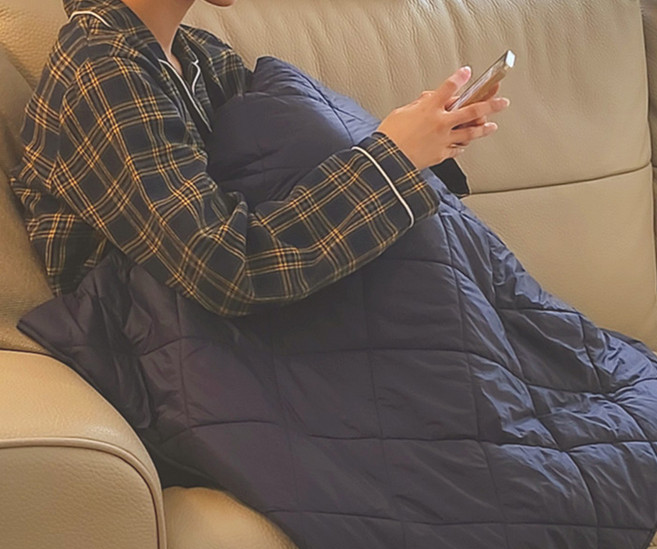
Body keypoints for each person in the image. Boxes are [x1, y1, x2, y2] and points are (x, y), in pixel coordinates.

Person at [11, 0, 509, 317]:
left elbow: (294, 171)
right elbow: (228, 267)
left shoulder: (202, 57)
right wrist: (392, 160)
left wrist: (421, 143)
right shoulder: (102, 71)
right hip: (175, 358)